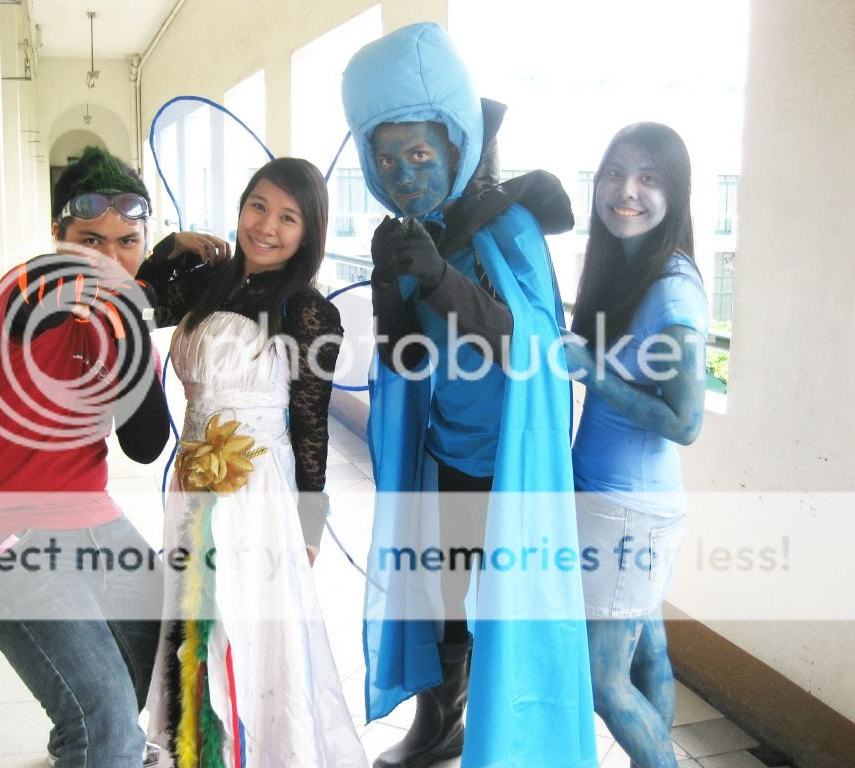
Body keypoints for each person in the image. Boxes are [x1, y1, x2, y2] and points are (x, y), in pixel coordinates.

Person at [341, 22, 596, 768]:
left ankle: (515, 741)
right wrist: (390, 286)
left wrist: (438, 278)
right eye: (387, 159)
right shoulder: (419, 230)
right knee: (443, 600)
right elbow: (406, 358)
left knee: (511, 610)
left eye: (419, 154)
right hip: (448, 455)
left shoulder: (507, 226)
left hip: (510, 467)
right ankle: (443, 724)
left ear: (456, 148)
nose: (404, 173)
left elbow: (531, 346)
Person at [0, 145, 226, 768]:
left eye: (127, 241)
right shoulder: (23, 289)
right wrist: (144, 282)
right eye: (89, 240)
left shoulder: (122, 321)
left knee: (169, 647)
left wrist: (143, 311)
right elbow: (45, 300)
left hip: (90, 516)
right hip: (3, 528)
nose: (108, 256)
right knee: (106, 727)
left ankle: (87, 747)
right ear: (57, 237)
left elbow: (145, 443)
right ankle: (99, 744)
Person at [137, 157, 368, 767]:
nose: (266, 226)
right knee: (195, 615)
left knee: (247, 618)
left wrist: (310, 522)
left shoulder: (308, 311)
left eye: (288, 217)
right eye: (258, 206)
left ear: (309, 231)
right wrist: (167, 249)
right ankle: (197, 747)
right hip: (191, 479)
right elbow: (139, 309)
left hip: (257, 488)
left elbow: (311, 424)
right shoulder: (208, 282)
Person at [562, 122, 708, 768]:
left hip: (630, 513)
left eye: (648, 178)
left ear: (674, 194)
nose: (627, 191)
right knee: (649, 654)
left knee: (605, 683)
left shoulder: (672, 289)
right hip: (617, 502)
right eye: (615, 174)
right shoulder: (630, 269)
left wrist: (593, 374)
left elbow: (686, 421)